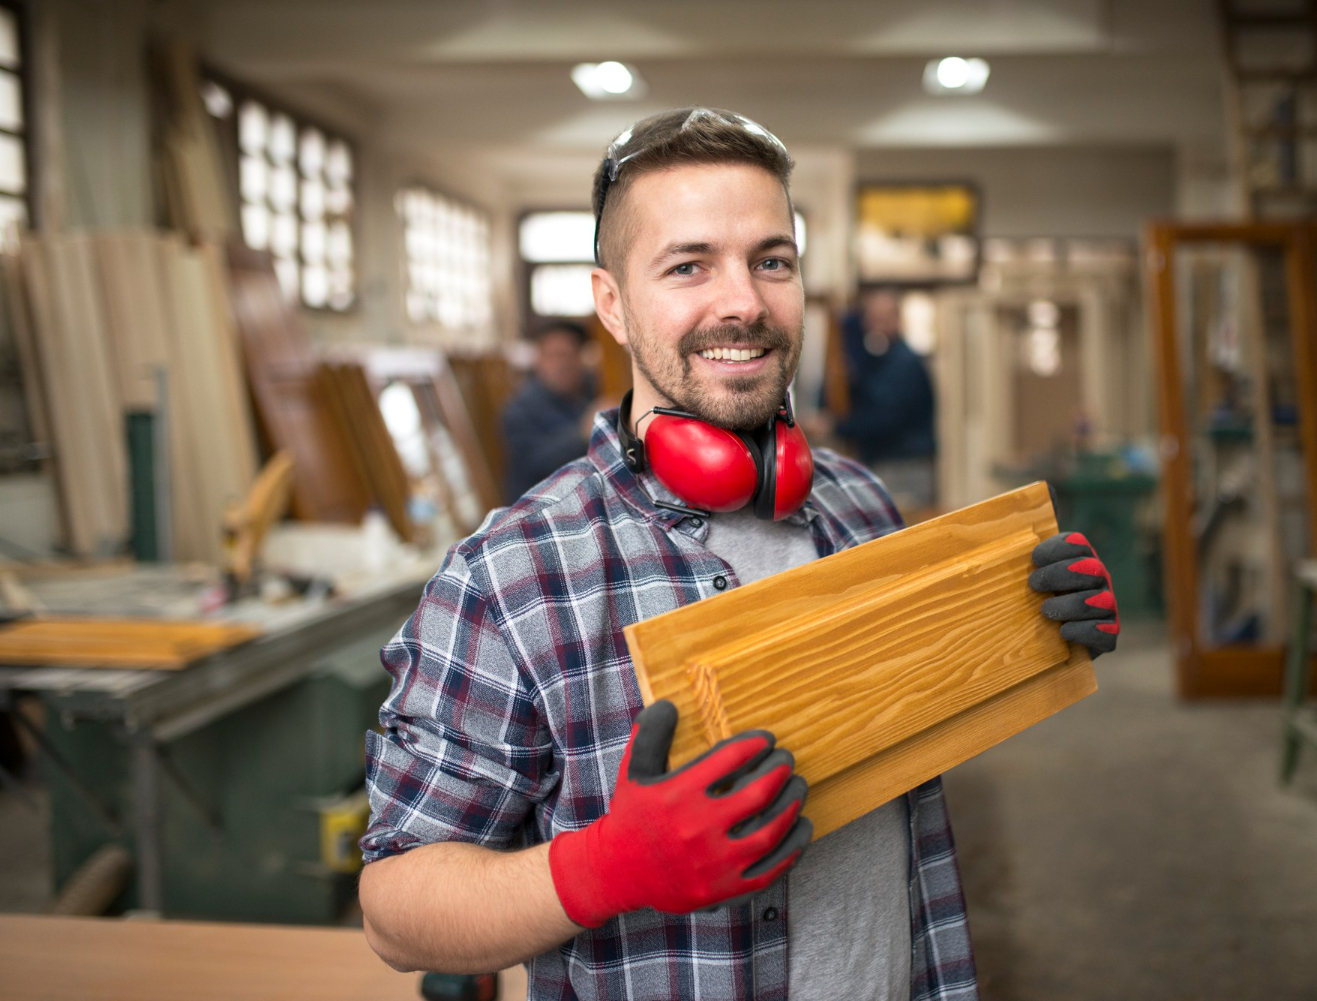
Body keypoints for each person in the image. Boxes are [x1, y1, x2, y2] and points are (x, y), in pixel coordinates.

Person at [358, 107, 1120, 1001]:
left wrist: (1025, 630)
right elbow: (394, 909)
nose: (745, 302)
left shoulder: (858, 504)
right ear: (612, 302)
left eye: (772, 261)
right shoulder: (512, 574)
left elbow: (903, 732)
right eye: (689, 266)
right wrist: (607, 867)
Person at [833, 288, 937, 508]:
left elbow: (885, 420)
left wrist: (836, 427)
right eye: (871, 319)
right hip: (884, 465)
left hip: (905, 468)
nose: (875, 326)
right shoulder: (877, 360)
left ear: (897, 319)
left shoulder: (904, 364)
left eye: (882, 319)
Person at [499, 320, 607, 503]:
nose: (561, 364)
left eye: (567, 355)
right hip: (539, 507)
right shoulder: (520, 408)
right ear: (538, 360)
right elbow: (533, 464)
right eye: (552, 356)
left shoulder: (594, 391)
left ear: (581, 358)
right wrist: (582, 432)